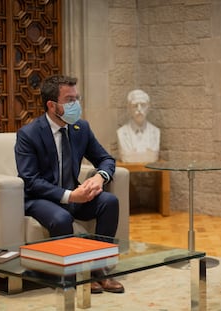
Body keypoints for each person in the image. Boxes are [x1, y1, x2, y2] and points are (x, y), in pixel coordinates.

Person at [15, 74, 124, 294]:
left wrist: (99, 177)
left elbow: (106, 159)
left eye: (77, 98)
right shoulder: (29, 134)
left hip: (75, 194)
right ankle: (73, 274)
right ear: (51, 105)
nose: (76, 104)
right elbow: (30, 180)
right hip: (40, 199)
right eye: (70, 100)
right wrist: (70, 196)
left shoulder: (80, 128)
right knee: (61, 217)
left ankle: (98, 269)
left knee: (109, 201)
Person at [117, 89, 160, 163]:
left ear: (148, 108)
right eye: (135, 106)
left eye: (143, 105)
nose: (139, 109)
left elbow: (153, 156)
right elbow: (126, 157)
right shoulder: (121, 132)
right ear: (129, 109)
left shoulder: (156, 132)